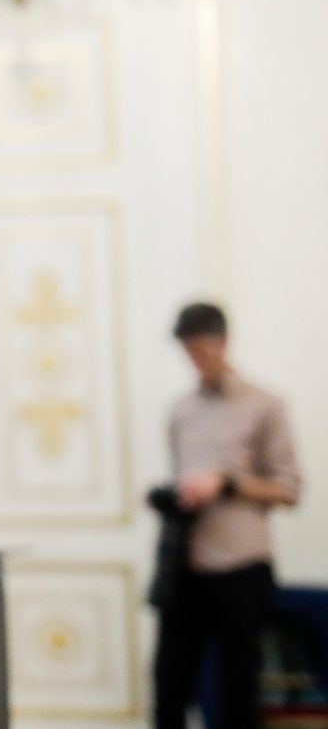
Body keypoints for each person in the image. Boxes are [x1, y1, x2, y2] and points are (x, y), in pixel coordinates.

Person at [152, 302, 301, 729]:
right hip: (186, 563)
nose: (195, 362)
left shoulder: (265, 405)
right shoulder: (181, 410)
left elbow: (289, 489)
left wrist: (227, 483)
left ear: (222, 343)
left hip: (242, 565)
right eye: (188, 353)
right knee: (170, 683)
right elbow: (181, 473)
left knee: (237, 687)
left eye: (201, 351)